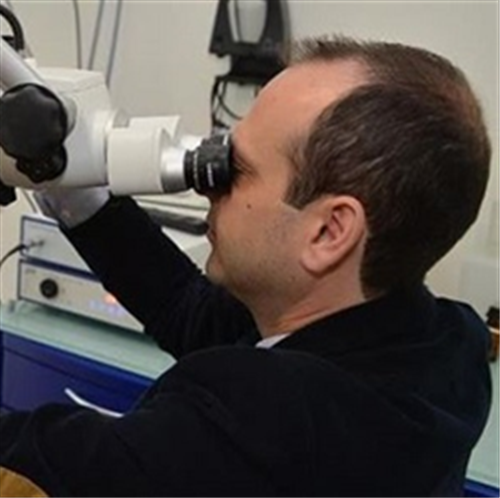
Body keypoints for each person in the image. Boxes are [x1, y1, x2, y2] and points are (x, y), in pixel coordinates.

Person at [0, 35, 493, 498]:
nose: (206, 184)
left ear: (328, 231)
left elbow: (36, 466)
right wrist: (70, 183)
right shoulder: (450, 344)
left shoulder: (263, 422)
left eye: (237, 169)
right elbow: (187, 309)